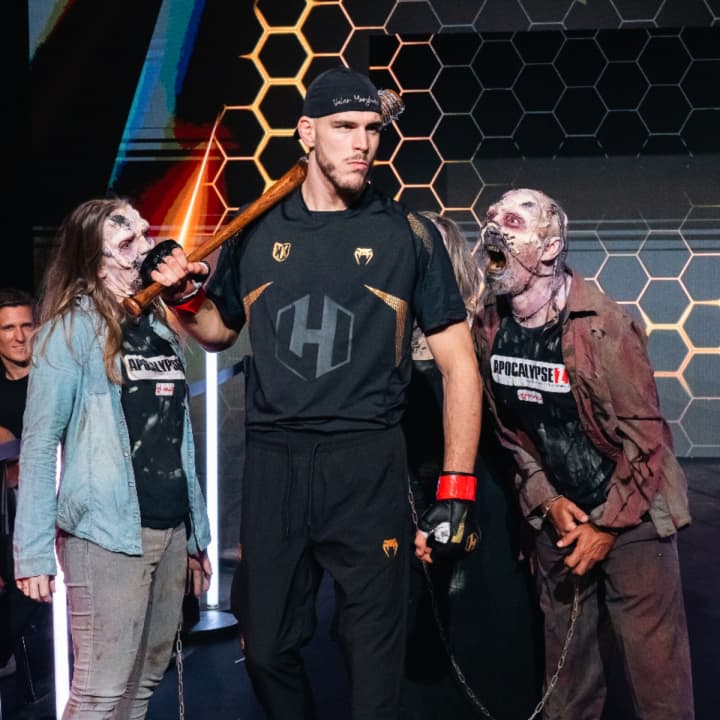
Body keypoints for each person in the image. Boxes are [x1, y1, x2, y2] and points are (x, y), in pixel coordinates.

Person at [146, 66, 482, 719]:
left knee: (374, 658)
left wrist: (456, 488)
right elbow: (217, 331)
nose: (362, 144)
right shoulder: (256, 229)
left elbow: (460, 365)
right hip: (276, 463)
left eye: (372, 130)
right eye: (344, 127)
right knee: (266, 648)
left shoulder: (408, 235)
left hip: (367, 462)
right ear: (306, 132)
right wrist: (184, 297)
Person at [463, 187, 694, 719]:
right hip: (561, 520)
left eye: (514, 222)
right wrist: (545, 499)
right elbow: (509, 433)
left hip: (634, 515)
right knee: (567, 680)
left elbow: (646, 440)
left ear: (549, 247)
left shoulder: (604, 325)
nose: (494, 228)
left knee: (656, 674)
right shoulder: (489, 327)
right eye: (492, 218)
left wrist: (606, 527)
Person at [12, 198, 213, 719]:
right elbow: (39, 445)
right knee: (100, 691)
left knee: (144, 680)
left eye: (145, 233)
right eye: (127, 241)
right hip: (106, 536)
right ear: (95, 260)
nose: (145, 246)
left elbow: (176, 438)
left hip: (169, 530)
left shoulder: (159, 325)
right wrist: (31, 553)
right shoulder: (68, 331)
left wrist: (196, 537)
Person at [401, 215, 541, 720]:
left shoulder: (484, 329)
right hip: (406, 494)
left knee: (484, 616)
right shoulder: (389, 331)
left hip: (479, 495)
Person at [0, 287, 56, 718]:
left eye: (27, 325)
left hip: (58, 507)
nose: (20, 337)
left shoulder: (54, 377)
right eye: (8, 328)